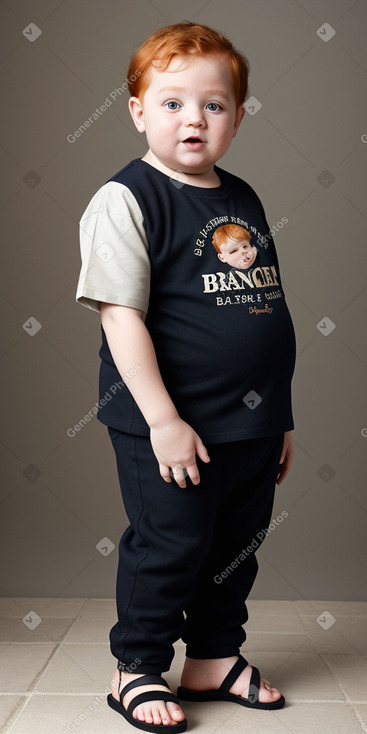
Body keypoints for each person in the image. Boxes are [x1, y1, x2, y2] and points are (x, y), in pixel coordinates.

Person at [76, 20, 296, 733]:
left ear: (236, 115)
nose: (193, 119)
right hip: (169, 422)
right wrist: (162, 421)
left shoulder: (243, 197)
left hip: (251, 422)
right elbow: (120, 317)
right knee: (170, 543)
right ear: (137, 109)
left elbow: (263, 306)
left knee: (235, 548)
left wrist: (280, 415)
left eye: (213, 104)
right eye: (171, 103)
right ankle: (134, 666)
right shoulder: (127, 199)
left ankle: (209, 657)